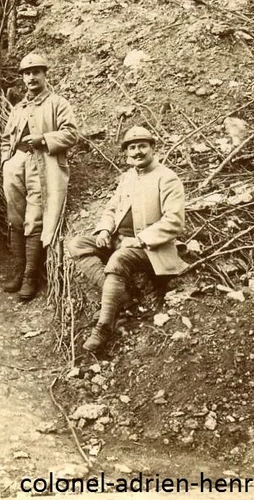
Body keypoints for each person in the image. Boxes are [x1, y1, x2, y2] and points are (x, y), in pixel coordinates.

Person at [65, 126, 187, 355]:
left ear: (153, 148)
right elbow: (112, 208)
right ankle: (119, 296)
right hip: (119, 240)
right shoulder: (128, 177)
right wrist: (103, 230)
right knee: (76, 244)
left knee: (119, 258)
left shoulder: (167, 178)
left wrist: (140, 239)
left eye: (142, 146)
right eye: (132, 147)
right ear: (126, 153)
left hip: (152, 248)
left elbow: (174, 221)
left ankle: (104, 327)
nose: (137, 152)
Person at [1, 52, 79, 301]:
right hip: (16, 165)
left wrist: (44, 139)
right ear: (22, 78)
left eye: (36, 72)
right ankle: (18, 270)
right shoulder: (18, 108)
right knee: (15, 217)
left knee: (34, 220)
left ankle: (30, 277)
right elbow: (5, 139)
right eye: (27, 73)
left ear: (45, 74)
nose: (31, 77)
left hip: (42, 165)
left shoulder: (58, 103)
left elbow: (71, 135)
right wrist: (7, 161)